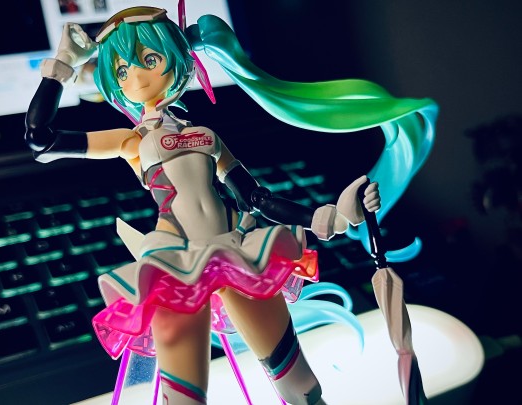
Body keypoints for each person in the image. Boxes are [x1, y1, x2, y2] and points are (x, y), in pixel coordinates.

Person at [24, 6, 437, 405]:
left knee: (302, 387)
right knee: (184, 401)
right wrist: (61, 67)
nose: (137, 77)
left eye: (149, 59)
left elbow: (256, 197)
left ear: (176, 57)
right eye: (121, 71)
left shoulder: (206, 136)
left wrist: (329, 216)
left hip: (237, 250)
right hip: (176, 264)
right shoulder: (131, 141)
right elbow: (41, 140)